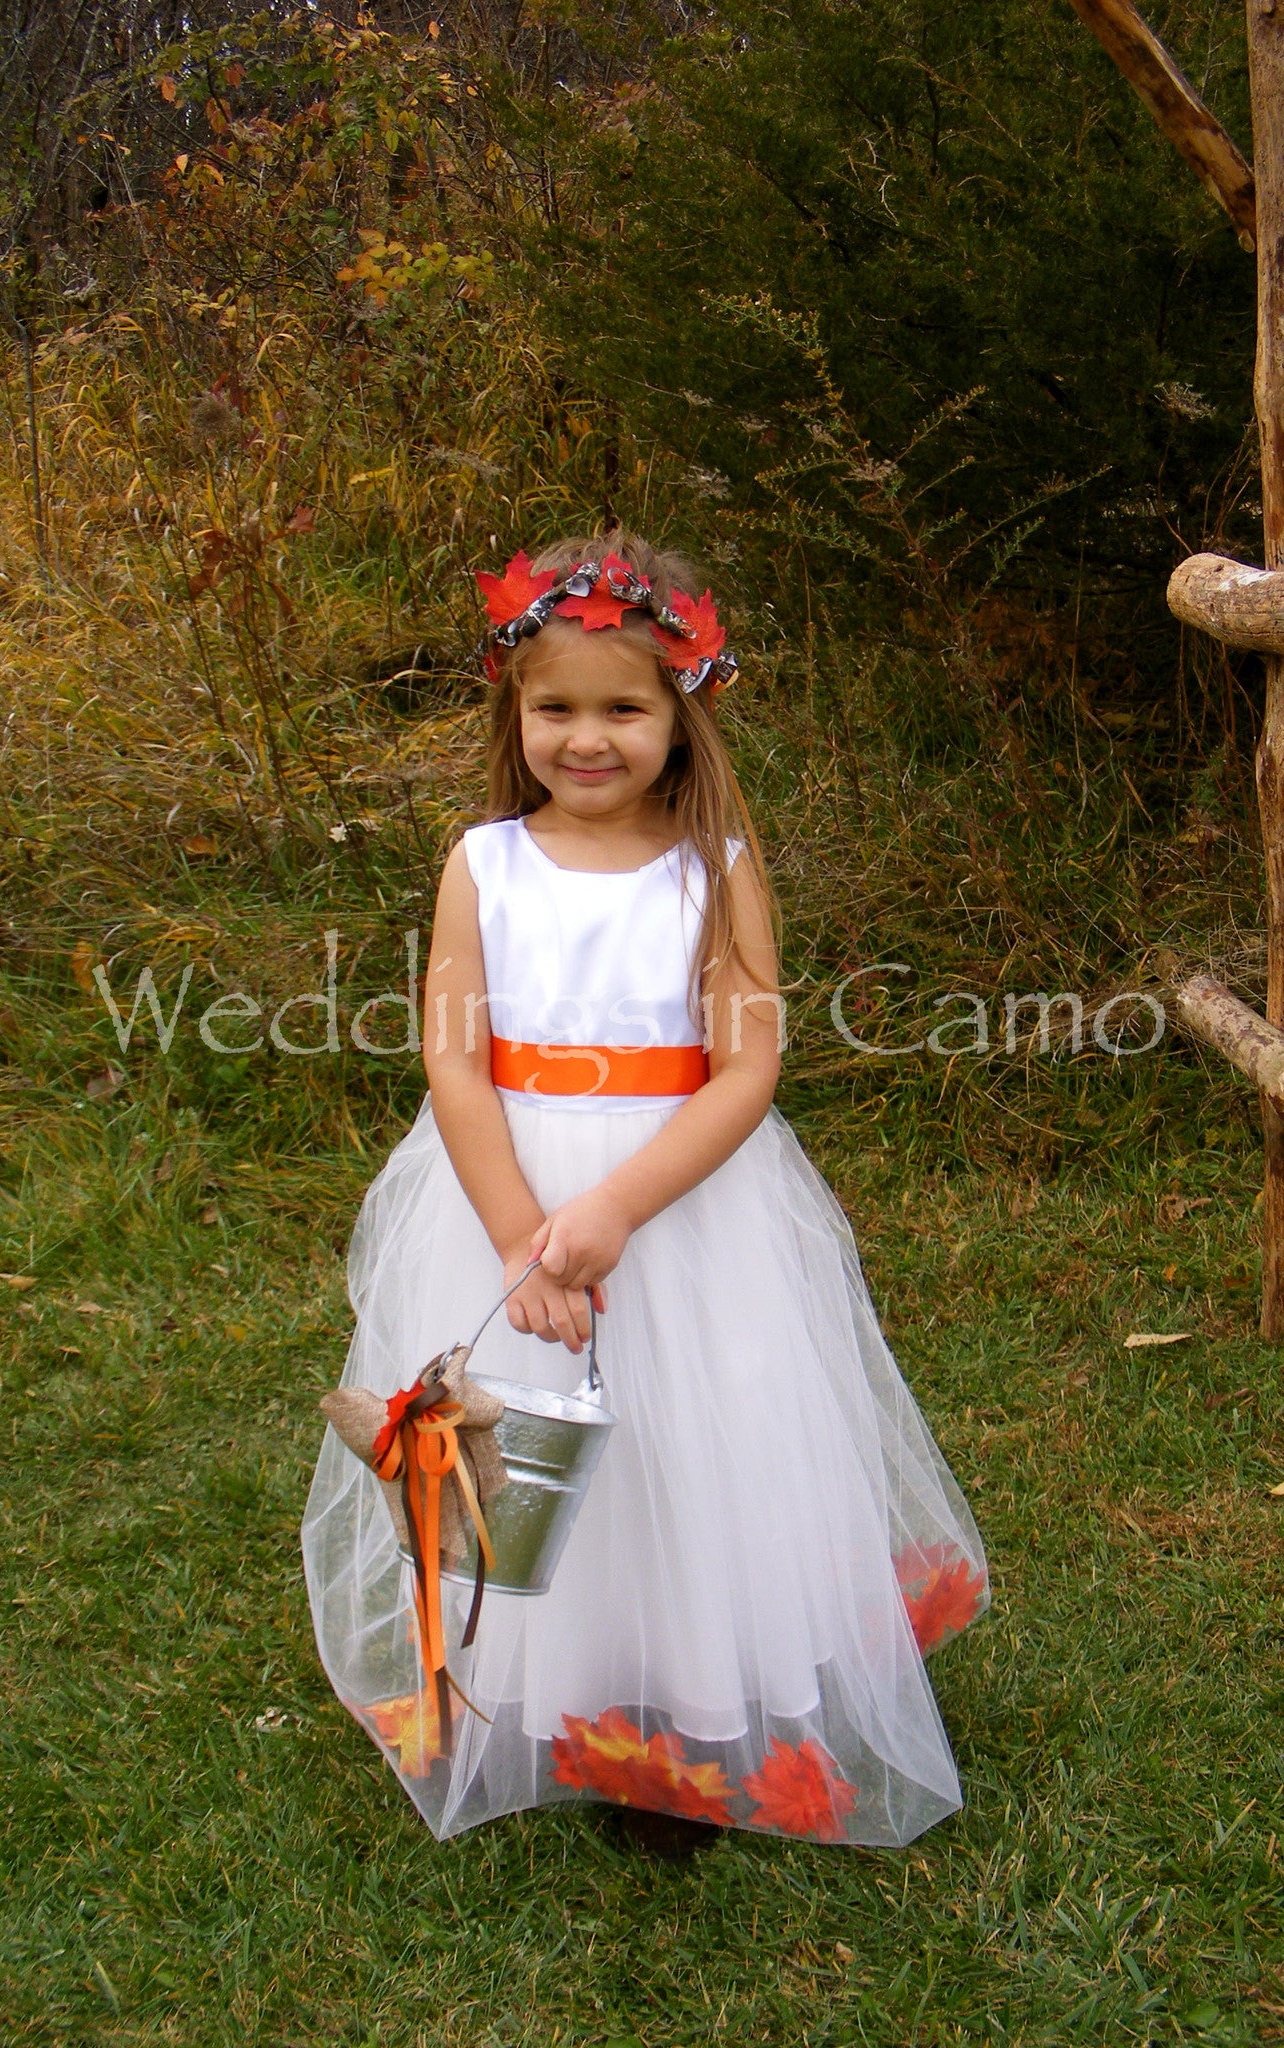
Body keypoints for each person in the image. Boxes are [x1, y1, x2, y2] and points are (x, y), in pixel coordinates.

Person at [302, 531, 988, 1847]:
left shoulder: (712, 865)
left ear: (684, 716)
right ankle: (560, 1682)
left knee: (696, 1437)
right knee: (534, 1438)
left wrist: (613, 1211)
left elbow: (749, 1065)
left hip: (679, 1199)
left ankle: (696, 1695)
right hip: (508, 1189)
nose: (588, 736)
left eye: (624, 707)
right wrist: (523, 1232)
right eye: (556, 706)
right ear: (516, 707)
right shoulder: (484, 864)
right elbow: (452, 1056)